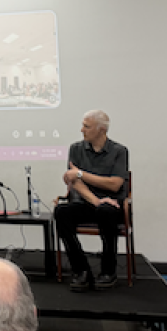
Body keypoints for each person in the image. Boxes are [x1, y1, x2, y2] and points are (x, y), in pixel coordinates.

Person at [54, 109, 128, 291]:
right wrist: (96, 201)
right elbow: (75, 183)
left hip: (113, 206)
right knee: (61, 212)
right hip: (87, 203)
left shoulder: (119, 151)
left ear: (101, 130)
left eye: (87, 126)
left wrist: (80, 173)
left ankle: (108, 271)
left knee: (106, 211)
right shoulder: (76, 149)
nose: (82, 130)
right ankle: (81, 270)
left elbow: (115, 184)